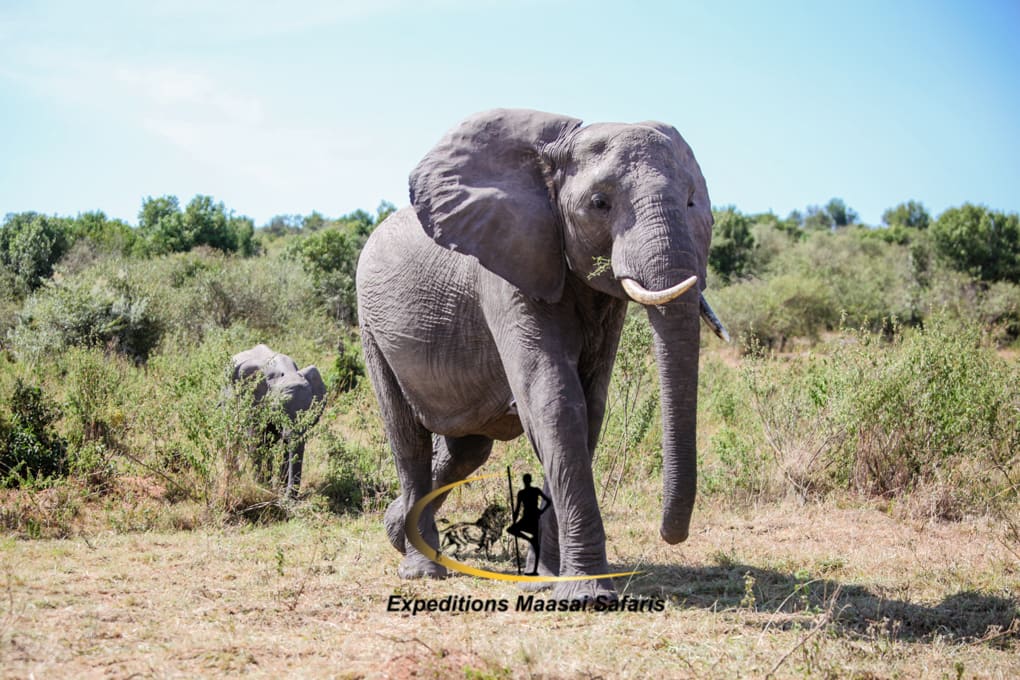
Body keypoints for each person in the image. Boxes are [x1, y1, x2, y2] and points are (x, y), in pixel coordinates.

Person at [506, 474, 552, 576]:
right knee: (511, 529)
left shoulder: (534, 490)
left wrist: (541, 512)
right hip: (527, 517)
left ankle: (534, 571)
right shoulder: (522, 493)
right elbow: (517, 509)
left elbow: (548, 502)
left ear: (527, 481)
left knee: (536, 546)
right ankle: (529, 539)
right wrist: (514, 517)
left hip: (533, 517)